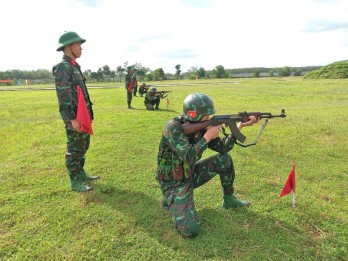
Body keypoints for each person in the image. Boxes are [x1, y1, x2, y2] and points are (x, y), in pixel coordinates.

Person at [156, 93, 259, 237]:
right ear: (194, 115)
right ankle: (170, 199)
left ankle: (229, 199)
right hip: (173, 182)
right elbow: (189, 157)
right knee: (191, 231)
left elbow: (223, 148)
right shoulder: (173, 127)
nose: (209, 119)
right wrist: (207, 136)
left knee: (225, 159)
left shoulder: (202, 128)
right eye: (206, 116)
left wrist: (240, 126)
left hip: (190, 174)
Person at [52, 31, 100, 192]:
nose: (81, 48)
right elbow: (63, 96)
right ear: (68, 46)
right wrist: (72, 118)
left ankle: (81, 174)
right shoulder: (62, 68)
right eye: (78, 44)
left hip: (82, 115)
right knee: (74, 149)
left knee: (83, 145)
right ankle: (75, 181)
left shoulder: (74, 66)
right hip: (74, 117)